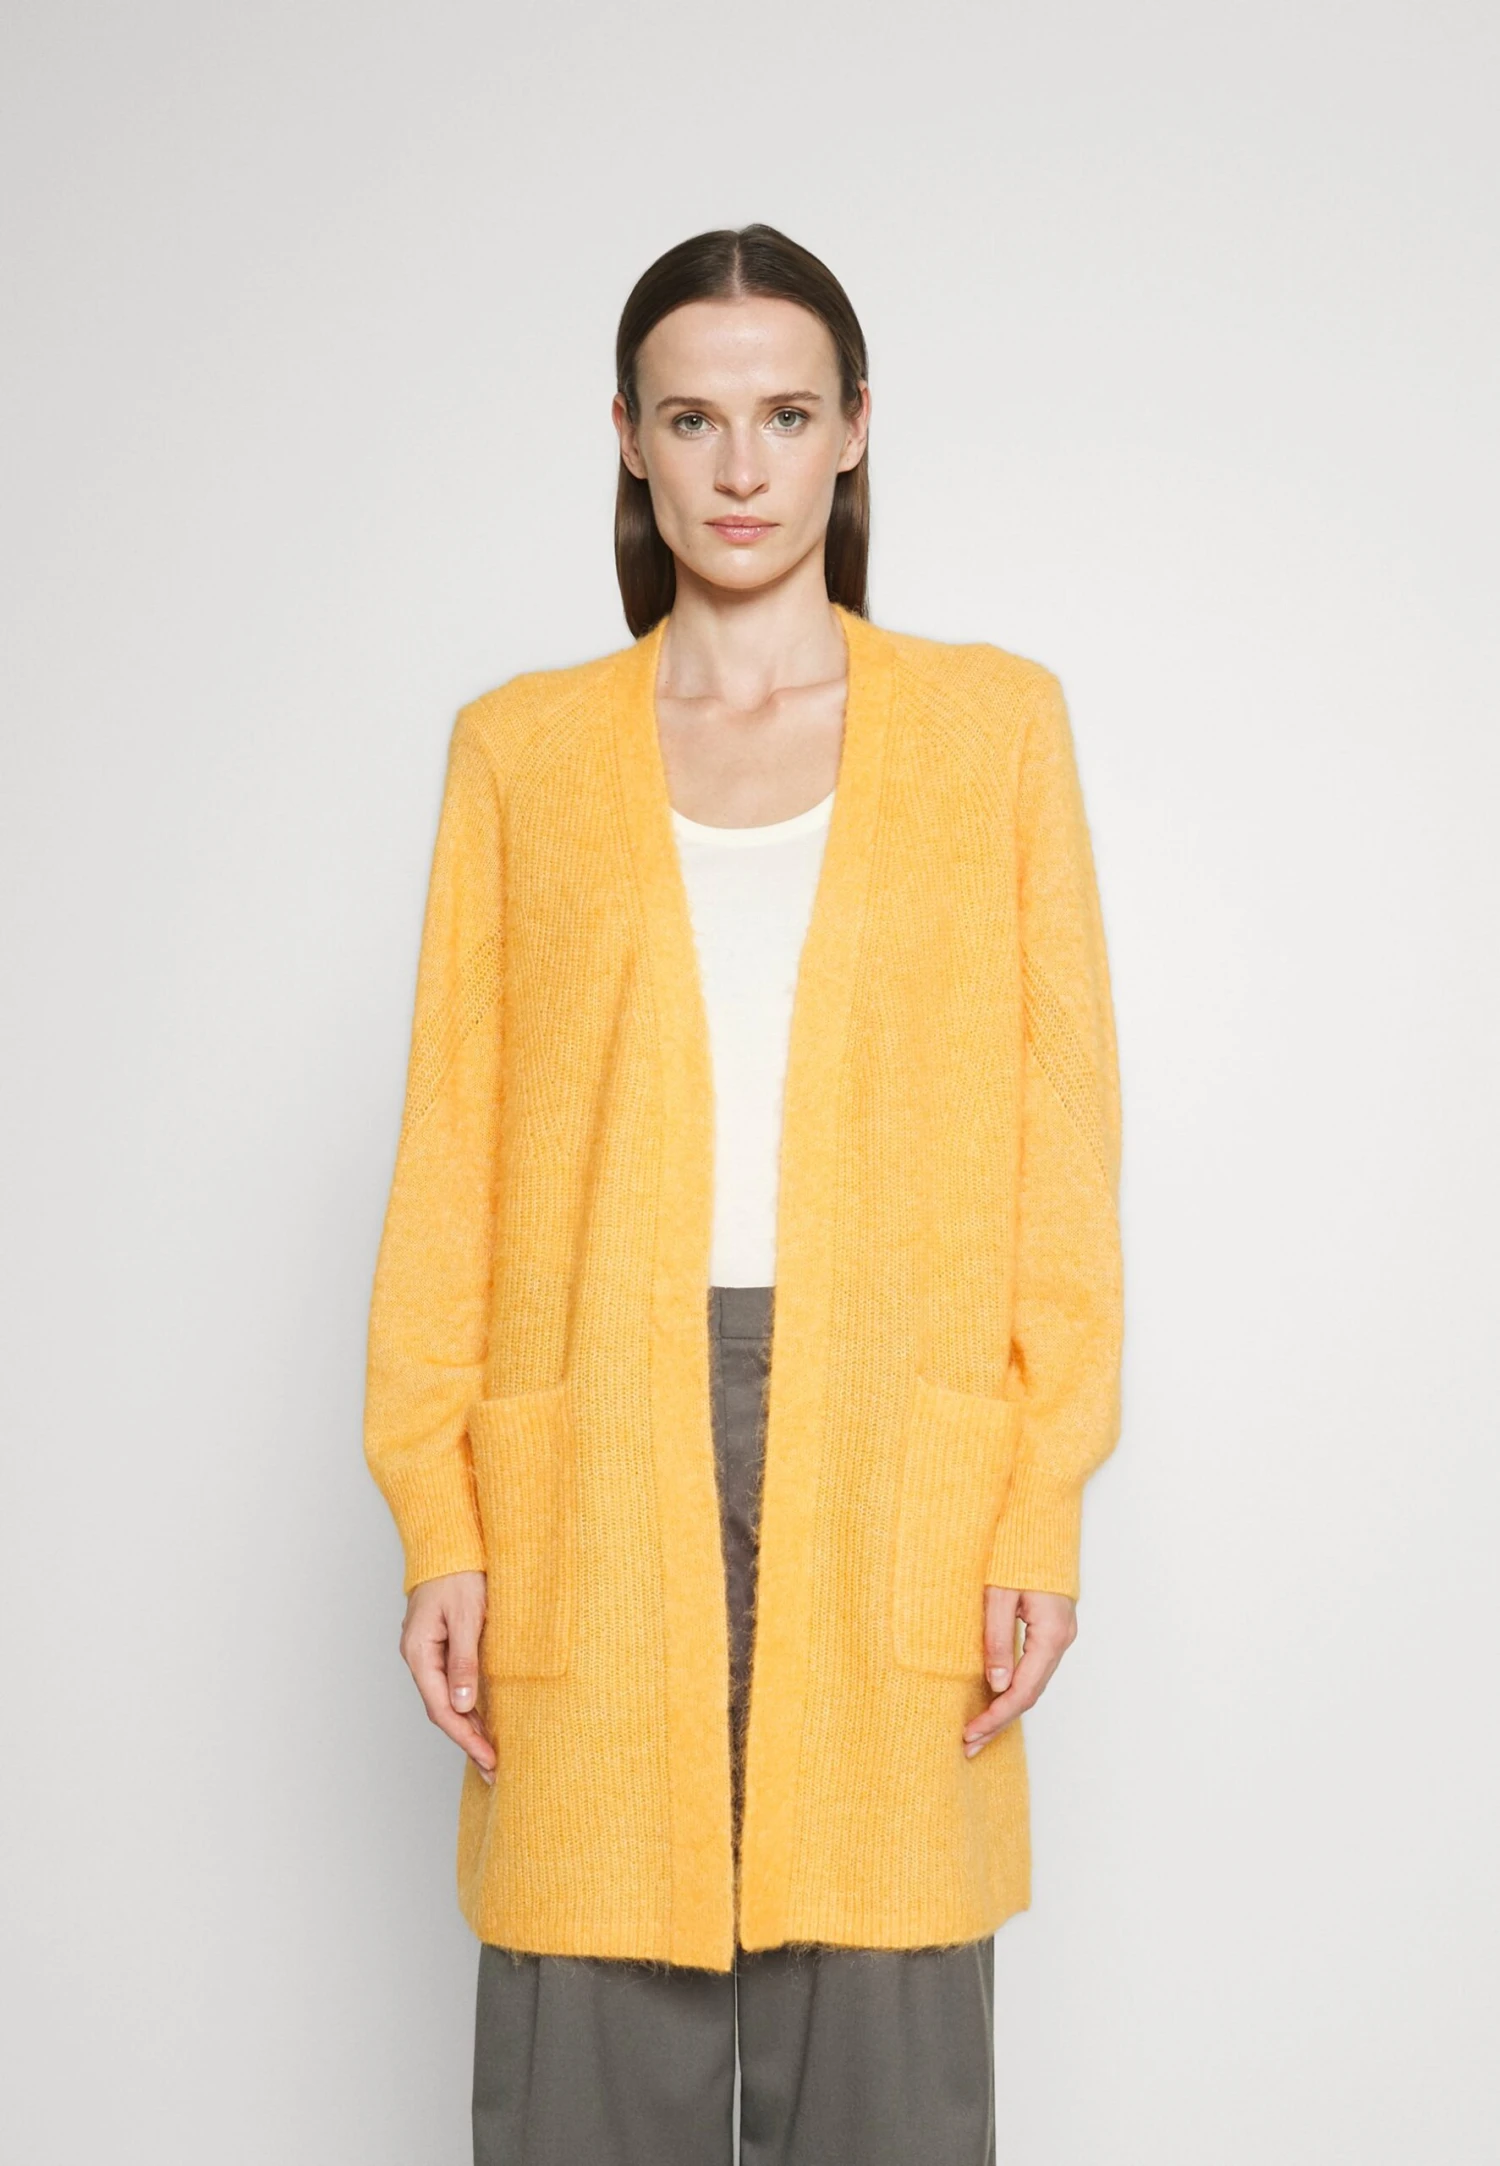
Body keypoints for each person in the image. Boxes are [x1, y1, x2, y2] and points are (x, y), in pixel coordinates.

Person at [362, 222, 1125, 2166]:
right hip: (594, 1449)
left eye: (785, 415)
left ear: (855, 430)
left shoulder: (995, 730)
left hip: (893, 1443)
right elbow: (451, 1156)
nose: (740, 467)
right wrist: (439, 1512)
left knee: (886, 2057)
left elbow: (1063, 1147)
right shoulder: (521, 753)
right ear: (627, 437)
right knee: (583, 2066)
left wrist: (1039, 1495)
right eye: (693, 419)